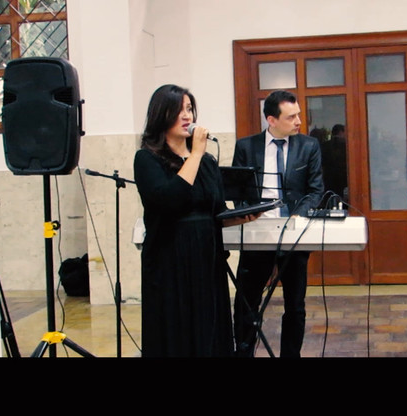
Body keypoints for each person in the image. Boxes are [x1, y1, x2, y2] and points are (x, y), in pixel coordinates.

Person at [133, 84, 259, 357]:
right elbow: (170, 200)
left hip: (206, 258)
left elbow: (214, 212)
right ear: (160, 115)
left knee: (209, 327)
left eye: (189, 109)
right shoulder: (147, 159)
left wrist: (240, 217)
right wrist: (196, 153)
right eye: (178, 110)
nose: (186, 116)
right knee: (177, 329)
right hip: (170, 260)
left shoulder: (208, 162)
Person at [231, 90, 324, 357]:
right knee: (246, 301)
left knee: (295, 304)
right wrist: (247, 213)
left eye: (299, 115)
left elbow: (316, 189)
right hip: (258, 233)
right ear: (271, 120)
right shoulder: (246, 147)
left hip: (294, 232)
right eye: (291, 116)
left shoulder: (309, 146)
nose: (298, 121)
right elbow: (238, 191)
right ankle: (244, 351)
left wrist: (299, 214)